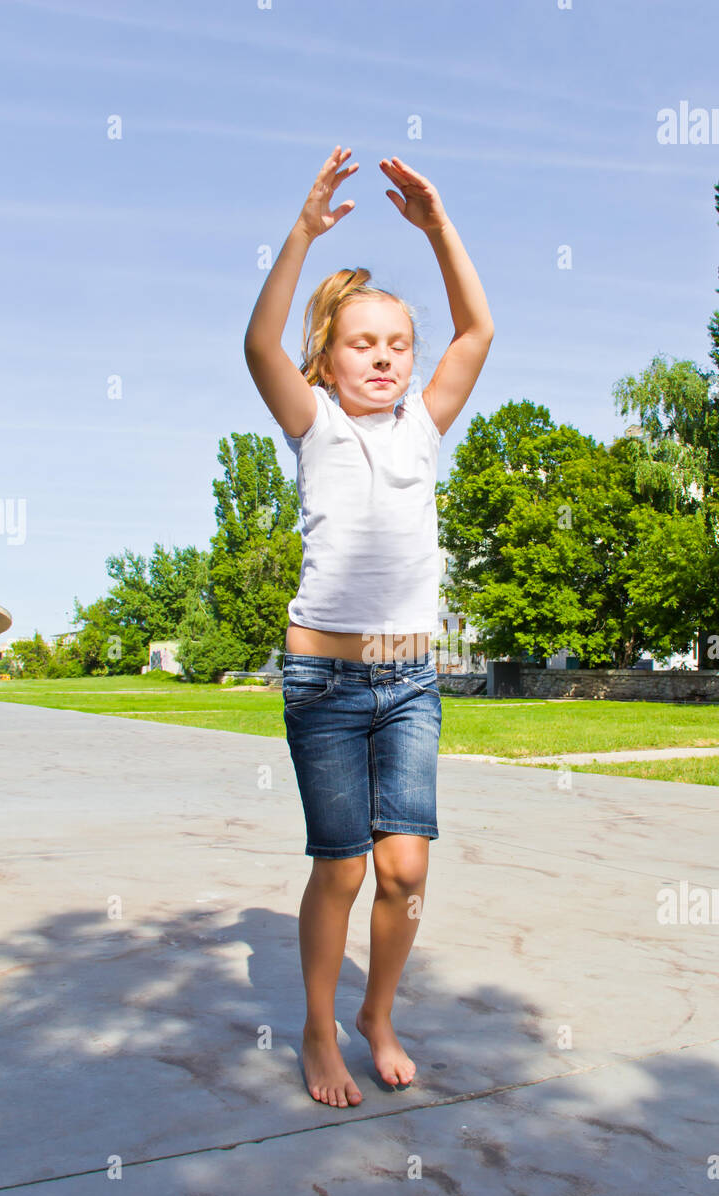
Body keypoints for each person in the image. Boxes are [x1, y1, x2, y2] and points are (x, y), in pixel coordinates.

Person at [244, 145, 493, 1108]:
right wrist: (304, 233)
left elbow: (478, 328)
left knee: (407, 865)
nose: (384, 358)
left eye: (397, 343)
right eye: (363, 343)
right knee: (342, 868)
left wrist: (438, 230)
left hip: (412, 680)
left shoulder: (425, 428)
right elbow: (258, 344)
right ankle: (317, 1029)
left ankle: (376, 1013)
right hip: (326, 683)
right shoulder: (314, 424)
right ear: (328, 358)